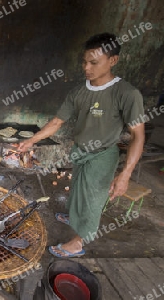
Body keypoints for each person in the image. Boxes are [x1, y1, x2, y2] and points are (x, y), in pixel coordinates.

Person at [18, 33, 145, 257]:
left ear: (112, 60)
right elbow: (57, 122)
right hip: (80, 152)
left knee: (93, 201)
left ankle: (78, 242)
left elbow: (138, 135)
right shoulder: (79, 92)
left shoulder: (126, 94)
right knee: (77, 189)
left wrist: (125, 174)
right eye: (84, 62)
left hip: (102, 156)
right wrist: (32, 140)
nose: (86, 67)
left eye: (94, 62)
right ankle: (75, 217)